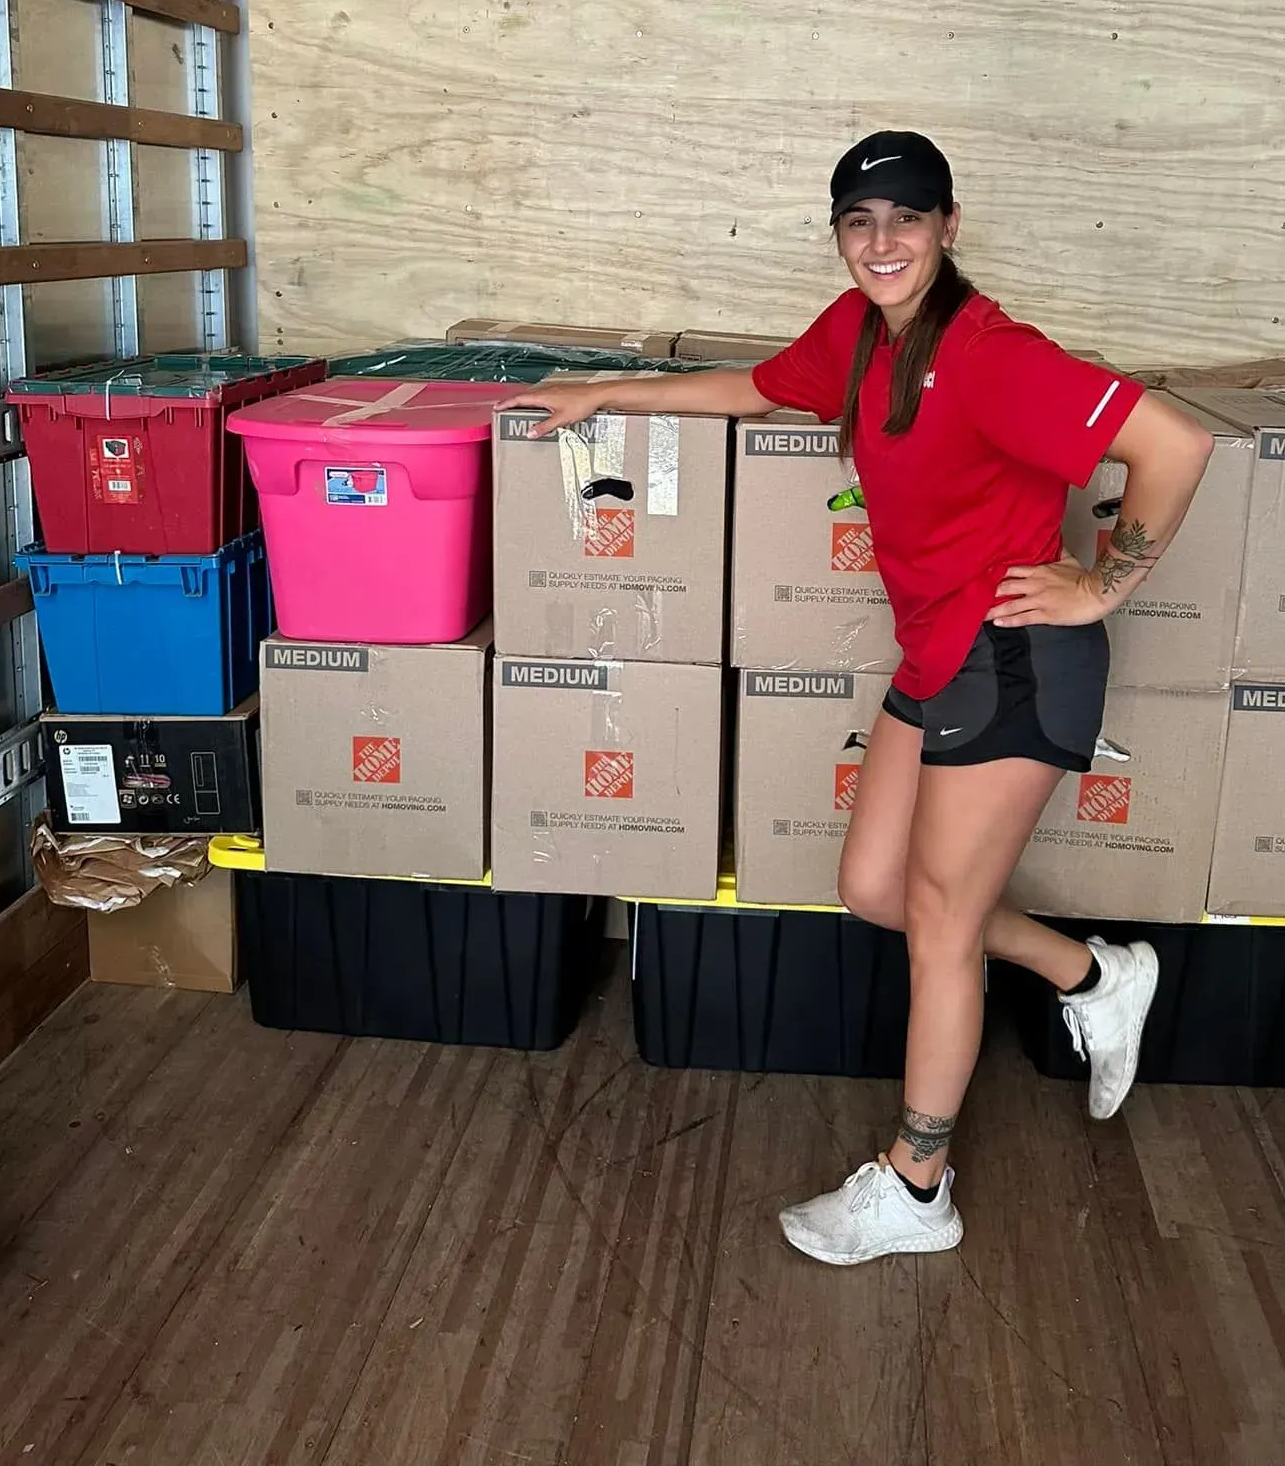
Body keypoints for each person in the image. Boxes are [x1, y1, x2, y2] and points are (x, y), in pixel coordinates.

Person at [502, 130, 1214, 1267]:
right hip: (937, 655)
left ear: (949, 225)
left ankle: (918, 1182)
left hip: (1014, 656)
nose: (882, 242)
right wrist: (607, 389)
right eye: (858, 221)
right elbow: (754, 384)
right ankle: (1094, 973)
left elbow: (1172, 443)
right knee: (877, 887)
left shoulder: (993, 354)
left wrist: (1102, 582)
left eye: (907, 219)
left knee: (938, 926)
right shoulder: (858, 333)